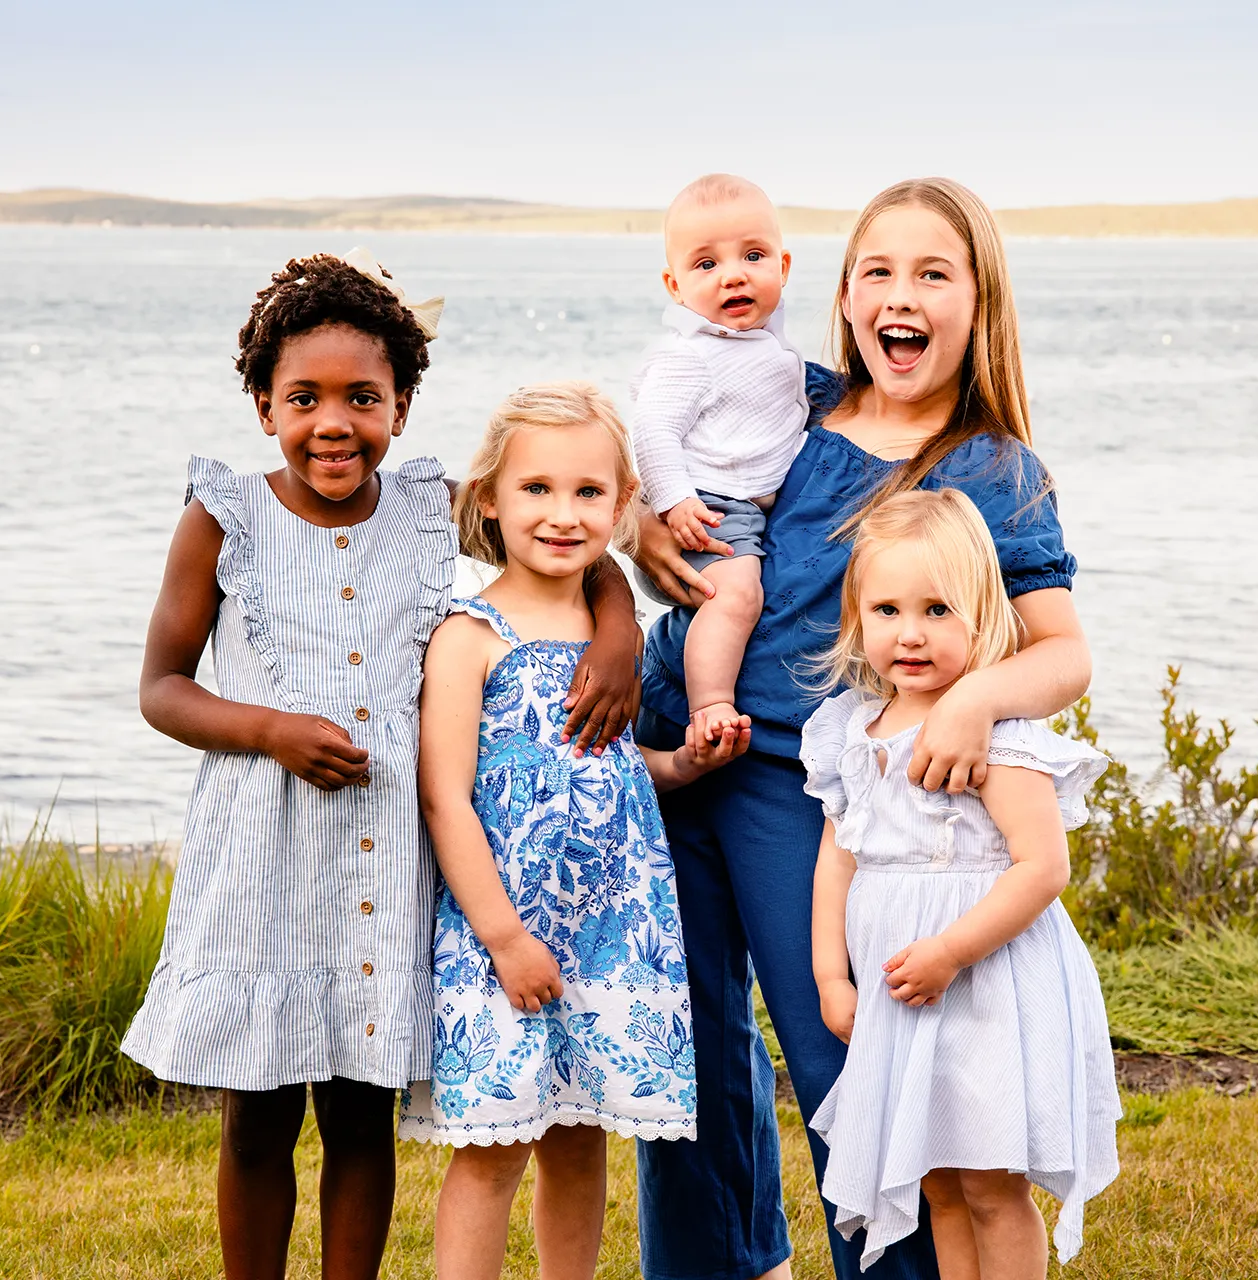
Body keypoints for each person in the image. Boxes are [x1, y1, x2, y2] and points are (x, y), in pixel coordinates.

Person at [120, 254, 643, 1280]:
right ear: (264, 404)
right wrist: (269, 727)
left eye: (364, 398)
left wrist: (618, 628)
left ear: (401, 407)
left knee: (361, 1118)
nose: (333, 423)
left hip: (379, 867)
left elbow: (559, 538)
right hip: (264, 862)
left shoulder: (421, 509)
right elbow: (162, 687)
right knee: (259, 1121)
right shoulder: (224, 518)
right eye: (303, 397)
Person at [631, 178, 1094, 1280]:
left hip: (819, 784)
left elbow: (1065, 654)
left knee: (856, 1063)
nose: (902, 295)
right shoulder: (794, 402)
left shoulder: (993, 467)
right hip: (684, 735)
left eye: (934, 273)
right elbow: (657, 472)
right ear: (840, 294)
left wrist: (977, 698)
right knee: (691, 1057)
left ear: (979, 303)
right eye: (878, 271)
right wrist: (645, 532)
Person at [401, 382, 749, 1280]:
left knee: (583, 1134)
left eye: (590, 493)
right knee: (492, 1150)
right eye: (537, 490)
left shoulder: (608, 625)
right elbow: (446, 800)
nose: (564, 514)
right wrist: (505, 939)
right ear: (490, 499)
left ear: (625, 504)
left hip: (612, 931)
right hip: (504, 932)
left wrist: (688, 762)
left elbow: (621, 766)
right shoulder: (468, 636)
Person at [803, 489, 1117, 1275]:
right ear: (857, 618)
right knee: (939, 1181)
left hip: (983, 983)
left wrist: (947, 951)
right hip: (900, 989)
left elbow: (1043, 867)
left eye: (938, 610)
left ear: (983, 617)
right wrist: (828, 976)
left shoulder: (995, 734)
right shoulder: (851, 729)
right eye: (887, 610)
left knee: (988, 1182)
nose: (910, 634)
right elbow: (838, 857)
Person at [630, 173, 809, 745]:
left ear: (782, 268)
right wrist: (673, 500)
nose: (733, 274)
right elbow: (652, 428)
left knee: (738, 592)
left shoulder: (769, 346)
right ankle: (709, 703)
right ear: (675, 285)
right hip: (707, 505)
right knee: (737, 595)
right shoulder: (691, 356)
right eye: (706, 265)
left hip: (739, 505)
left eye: (752, 256)